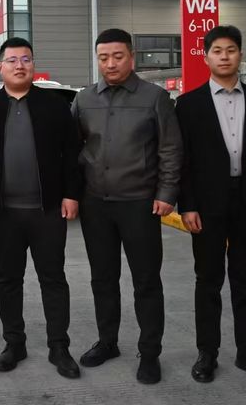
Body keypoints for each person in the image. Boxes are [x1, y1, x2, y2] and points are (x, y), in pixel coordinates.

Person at [71, 28, 182, 385]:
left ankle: (149, 353)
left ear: (131, 57)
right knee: (103, 278)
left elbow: (170, 149)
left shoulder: (154, 98)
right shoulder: (83, 99)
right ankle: (107, 342)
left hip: (140, 204)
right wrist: (73, 193)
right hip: (96, 204)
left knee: (146, 280)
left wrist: (166, 193)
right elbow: (71, 150)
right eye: (103, 57)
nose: (110, 64)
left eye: (117, 56)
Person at [175, 25, 246, 386]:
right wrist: (187, 205)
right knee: (208, 280)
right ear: (206, 57)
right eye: (217, 51)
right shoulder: (189, 104)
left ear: (240, 55)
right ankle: (207, 353)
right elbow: (184, 161)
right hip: (206, 206)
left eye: (231, 50)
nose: (224, 56)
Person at [0, 37, 82, 379]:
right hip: (4, 212)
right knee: (8, 278)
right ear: (1, 67)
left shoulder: (54, 105)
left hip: (47, 210)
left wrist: (71, 194)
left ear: (33, 65)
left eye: (26, 59)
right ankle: (14, 343)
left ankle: (59, 346)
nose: (19, 65)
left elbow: (72, 153)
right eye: (12, 60)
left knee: (53, 278)